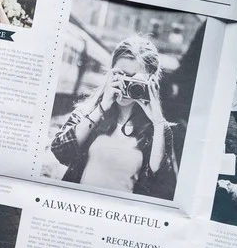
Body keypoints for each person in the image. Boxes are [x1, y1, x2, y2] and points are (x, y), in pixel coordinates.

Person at [48, 36, 175, 199]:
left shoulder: (157, 130)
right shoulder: (89, 112)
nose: (125, 85)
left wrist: (158, 122)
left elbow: (159, 184)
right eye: (120, 75)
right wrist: (102, 107)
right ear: (110, 73)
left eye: (134, 78)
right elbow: (61, 152)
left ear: (151, 81)